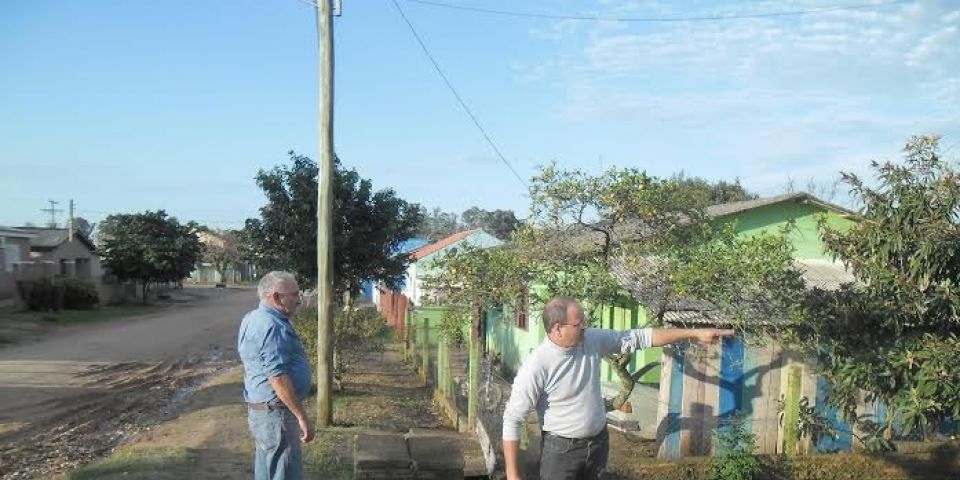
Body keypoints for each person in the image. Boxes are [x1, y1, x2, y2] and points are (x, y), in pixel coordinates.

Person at [502, 296, 735, 480]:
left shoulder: (590, 339)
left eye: (584, 321)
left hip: (598, 444)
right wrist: (513, 475)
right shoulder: (537, 365)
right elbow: (513, 418)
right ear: (557, 329)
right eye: (578, 323)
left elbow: (639, 337)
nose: (585, 326)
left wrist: (693, 334)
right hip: (561, 453)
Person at [238, 271, 315, 480]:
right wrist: (302, 416)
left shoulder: (252, 318)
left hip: (262, 412)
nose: (299, 300)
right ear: (275, 297)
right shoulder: (273, 326)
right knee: (284, 472)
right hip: (277, 414)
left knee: (267, 470)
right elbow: (277, 377)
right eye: (294, 295)